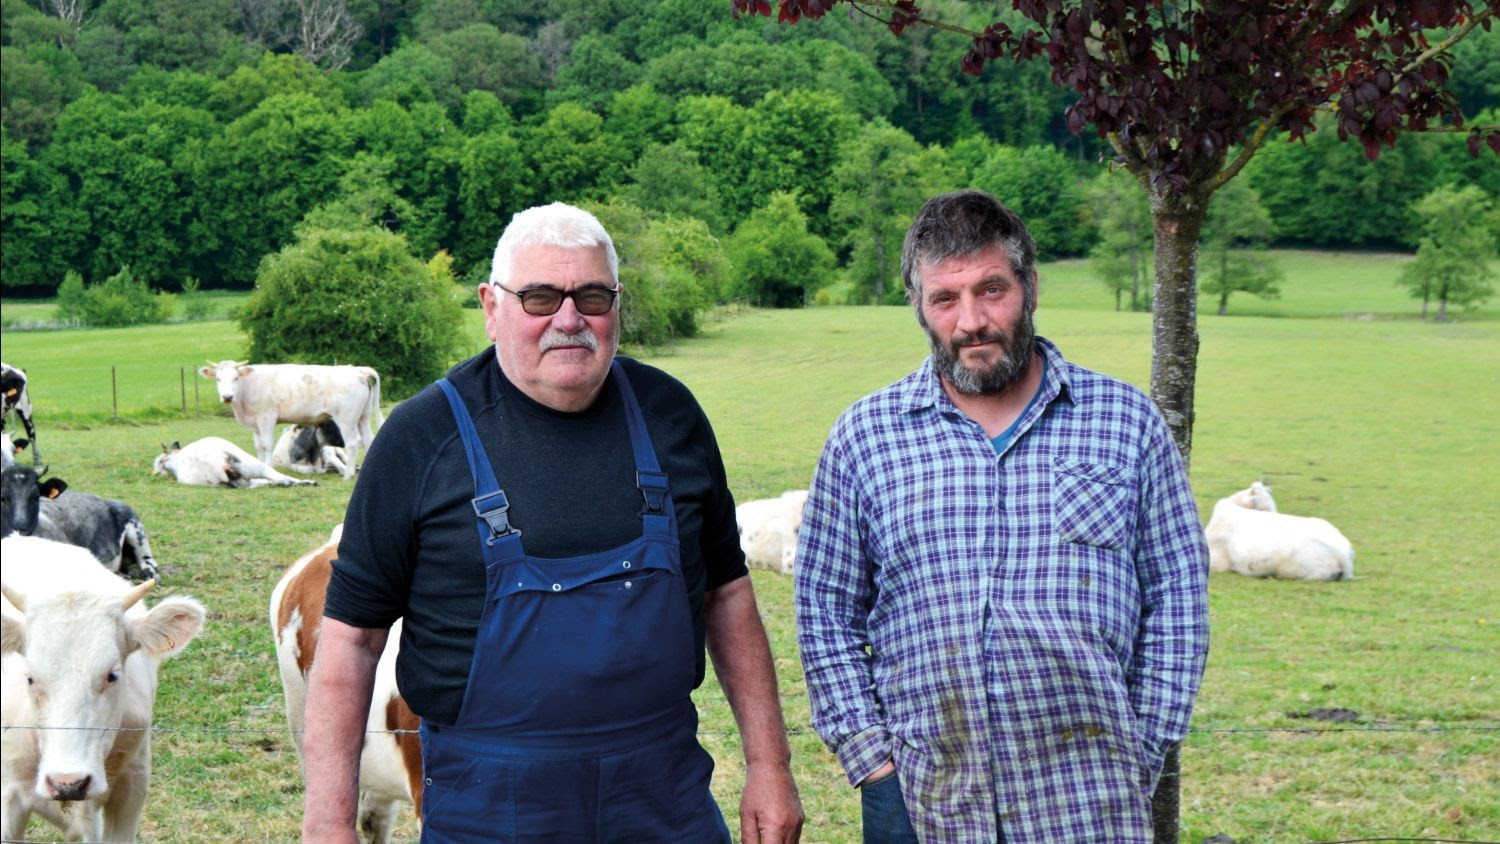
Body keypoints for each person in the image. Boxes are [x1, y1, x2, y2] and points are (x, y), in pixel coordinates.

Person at [301, 202, 804, 843]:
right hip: (489, 808)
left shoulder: (669, 414)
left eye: (592, 296)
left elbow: (728, 595)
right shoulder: (420, 438)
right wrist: (327, 823)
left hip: (663, 799)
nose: (569, 319)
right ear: (491, 306)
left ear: (617, 303)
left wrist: (769, 765)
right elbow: (351, 639)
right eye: (539, 297)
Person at [795, 190, 1209, 843]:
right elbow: (824, 610)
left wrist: (1143, 749)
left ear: (1031, 287)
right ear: (919, 306)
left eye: (991, 290)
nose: (971, 321)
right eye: (945, 299)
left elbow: (1178, 595)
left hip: (1091, 803)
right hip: (922, 800)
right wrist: (871, 763)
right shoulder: (864, 438)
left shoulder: (1126, 424)